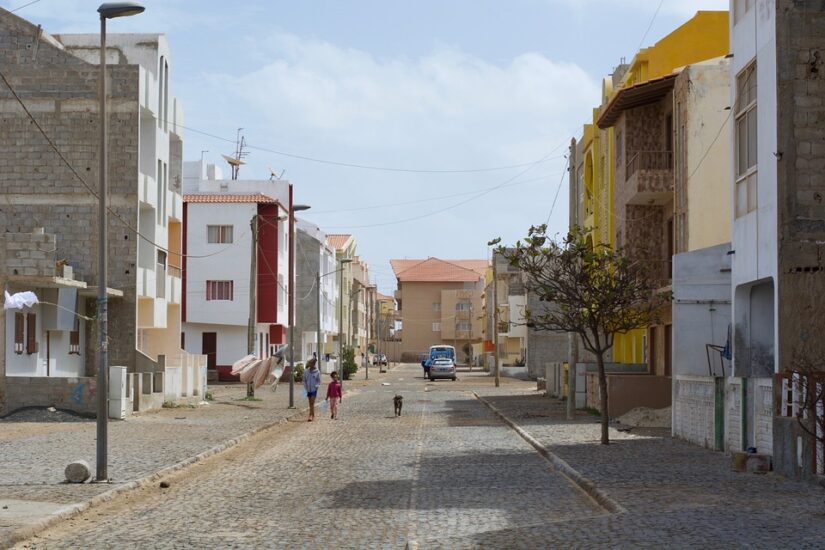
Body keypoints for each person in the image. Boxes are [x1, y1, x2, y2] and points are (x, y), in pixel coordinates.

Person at [303, 357, 321, 421]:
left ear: (314, 364)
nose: (310, 364)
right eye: (309, 363)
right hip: (308, 389)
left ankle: (310, 415)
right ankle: (313, 415)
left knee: (312, 403)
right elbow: (304, 380)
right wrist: (306, 387)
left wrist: (316, 386)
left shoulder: (317, 372)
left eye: (311, 363)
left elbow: (319, 381)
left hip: (314, 389)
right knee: (310, 403)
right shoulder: (306, 371)